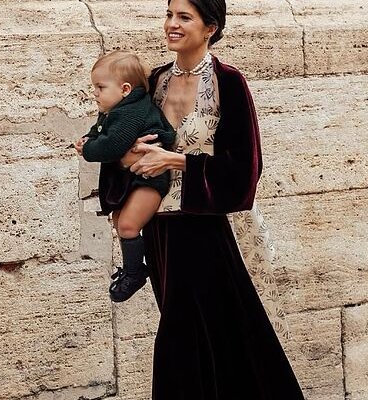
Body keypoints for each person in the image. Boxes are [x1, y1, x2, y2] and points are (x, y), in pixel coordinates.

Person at [112, 0, 307, 397]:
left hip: (213, 227)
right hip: (162, 226)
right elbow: (125, 138)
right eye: (169, 14)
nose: (171, 24)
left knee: (222, 334)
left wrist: (179, 160)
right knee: (190, 334)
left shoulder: (228, 82)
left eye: (184, 17)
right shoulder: (155, 81)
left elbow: (246, 170)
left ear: (210, 28)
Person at [74, 51, 176, 302]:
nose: (95, 93)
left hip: (149, 179)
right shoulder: (118, 108)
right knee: (119, 220)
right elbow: (102, 130)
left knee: (128, 225)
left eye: (100, 87)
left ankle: (136, 273)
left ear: (125, 88)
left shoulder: (131, 113)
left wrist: (88, 149)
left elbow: (112, 145)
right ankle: (135, 268)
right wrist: (90, 138)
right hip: (135, 177)